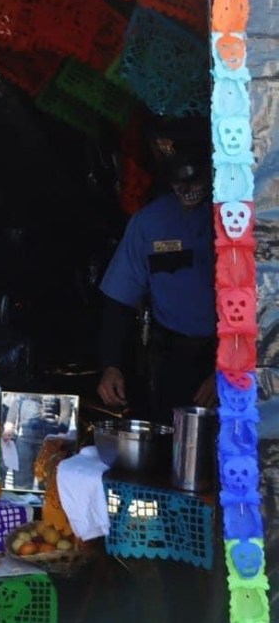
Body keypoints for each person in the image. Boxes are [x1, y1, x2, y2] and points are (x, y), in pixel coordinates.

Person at [97, 118, 216, 425]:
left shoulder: (241, 220)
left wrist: (229, 371)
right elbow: (119, 300)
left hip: (231, 358)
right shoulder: (150, 223)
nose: (186, 189)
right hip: (173, 359)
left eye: (194, 179)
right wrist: (111, 365)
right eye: (178, 181)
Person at [1, 395, 73, 489]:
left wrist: (62, 431)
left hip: (48, 440)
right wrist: (9, 424)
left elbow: (65, 405)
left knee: (45, 480)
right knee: (21, 481)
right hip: (24, 438)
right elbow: (17, 400)